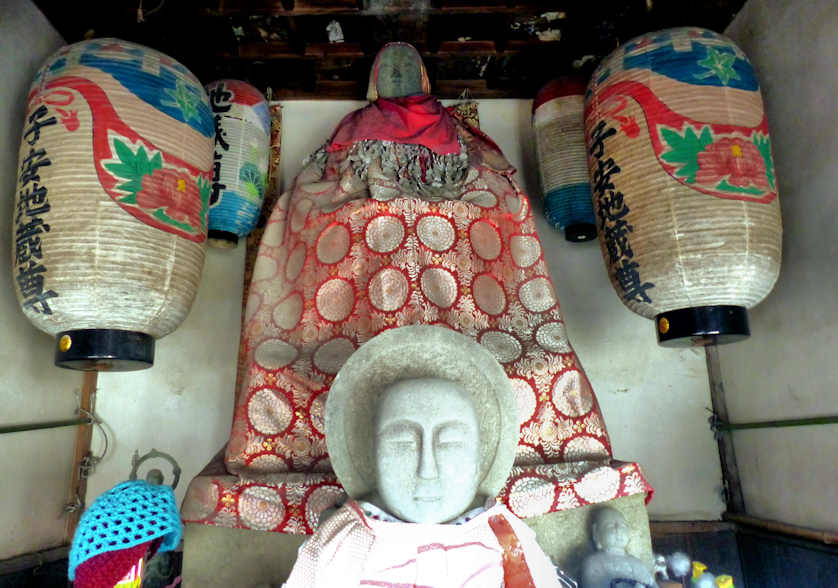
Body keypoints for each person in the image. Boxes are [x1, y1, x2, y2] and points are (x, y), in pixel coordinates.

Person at [283, 325, 564, 587]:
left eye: (451, 442)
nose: (427, 468)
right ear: (372, 457)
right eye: (404, 442)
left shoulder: (505, 539)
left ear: (480, 458)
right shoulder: (342, 543)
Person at [579, 507, 656, 588]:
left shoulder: (637, 563)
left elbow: (652, 584)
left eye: (622, 526)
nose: (618, 530)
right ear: (596, 533)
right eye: (610, 526)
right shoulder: (593, 563)